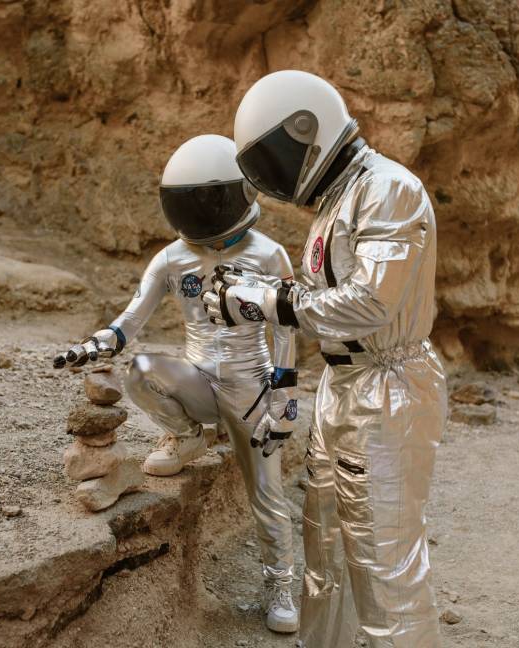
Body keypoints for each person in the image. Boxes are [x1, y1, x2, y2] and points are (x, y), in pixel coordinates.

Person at [202, 70, 448, 648]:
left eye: (274, 159)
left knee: (382, 560)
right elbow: (320, 303)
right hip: (345, 386)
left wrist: (266, 301)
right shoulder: (342, 196)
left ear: (305, 130)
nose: (277, 179)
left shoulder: (390, 189)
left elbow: (370, 305)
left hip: (388, 385)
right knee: (327, 548)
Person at [53, 134, 300, 634]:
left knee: (267, 496)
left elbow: (286, 331)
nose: (202, 217)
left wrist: (284, 398)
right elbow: (131, 319)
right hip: (197, 381)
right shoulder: (172, 259)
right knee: (142, 371)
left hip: (250, 389)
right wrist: (97, 344)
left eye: (208, 202)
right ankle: (187, 434)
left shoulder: (270, 255)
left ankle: (282, 584)